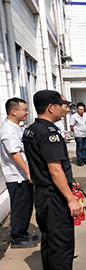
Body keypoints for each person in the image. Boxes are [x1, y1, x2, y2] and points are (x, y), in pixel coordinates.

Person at [22, 90, 86, 270]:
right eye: (62, 104)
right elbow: (55, 169)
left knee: (50, 241)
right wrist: (71, 198)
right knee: (61, 243)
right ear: (50, 107)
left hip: (43, 194)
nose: (65, 108)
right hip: (54, 195)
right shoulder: (49, 132)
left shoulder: (32, 130)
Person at [0, 98, 38, 248]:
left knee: (26, 205)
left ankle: (22, 232)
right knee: (20, 206)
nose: (27, 113)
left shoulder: (16, 127)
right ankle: (18, 237)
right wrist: (28, 172)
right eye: (24, 110)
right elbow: (15, 153)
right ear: (13, 111)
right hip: (16, 176)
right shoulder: (8, 129)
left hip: (21, 174)